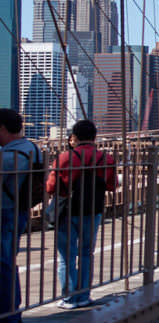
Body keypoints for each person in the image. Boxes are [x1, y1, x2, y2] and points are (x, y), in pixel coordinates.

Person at [46, 119, 118, 309]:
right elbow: (112, 185)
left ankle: (70, 298)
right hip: (92, 210)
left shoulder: (63, 158)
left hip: (67, 211)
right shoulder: (106, 159)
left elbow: (51, 187)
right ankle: (84, 295)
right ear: (95, 137)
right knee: (86, 253)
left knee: (66, 256)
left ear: (75, 137)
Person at [0, 109, 41, 323]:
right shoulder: (33, 148)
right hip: (20, 210)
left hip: (5, 211)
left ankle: (8, 317)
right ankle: (12, 313)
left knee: (3, 265)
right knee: (7, 263)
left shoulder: (9, 156)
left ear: (3, 129)